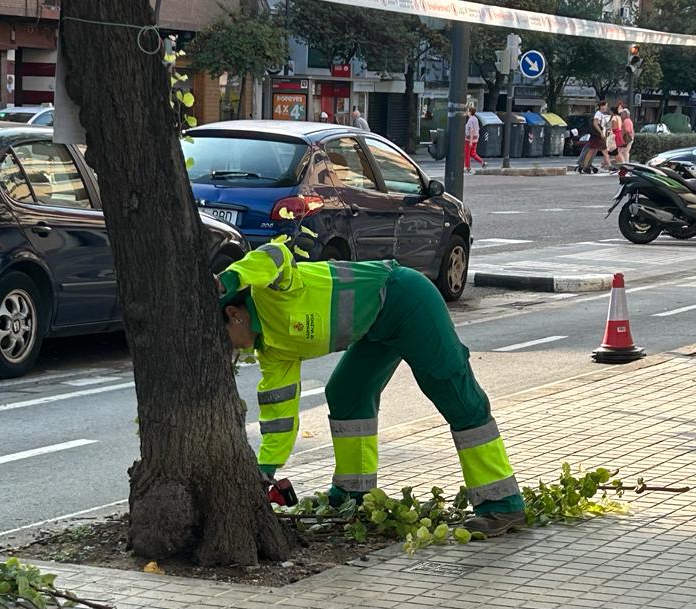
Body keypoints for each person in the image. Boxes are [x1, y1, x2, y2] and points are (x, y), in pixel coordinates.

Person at [217, 239, 526, 537]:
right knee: (347, 392)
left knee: (455, 393)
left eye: (224, 338)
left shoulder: (273, 291)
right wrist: (264, 471)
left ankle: (501, 503)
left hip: (406, 299)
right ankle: (355, 494)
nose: (229, 351)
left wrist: (228, 279)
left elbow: (275, 255)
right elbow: (279, 416)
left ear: (235, 314)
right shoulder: (270, 351)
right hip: (377, 327)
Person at [464, 105, 485, 173]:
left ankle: (467, 167)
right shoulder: (475, 119)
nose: (467, 112)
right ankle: (482, 162)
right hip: (475, 139)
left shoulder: (470, 120)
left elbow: (471, 130)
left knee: (467, 154)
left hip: (469, 139)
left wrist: (470, 141)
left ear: (470, 112)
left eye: (467, 111)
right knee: (473, 153)